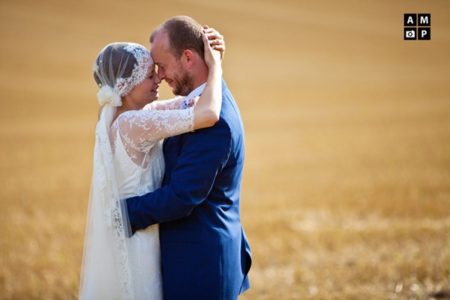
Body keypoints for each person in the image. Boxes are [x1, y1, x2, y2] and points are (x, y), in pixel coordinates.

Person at [79, 27, 225, 299]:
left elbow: (187, 103)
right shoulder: (133, 123)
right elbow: (207, 113)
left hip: (140, 228)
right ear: (126, 86)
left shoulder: (132, 114)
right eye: (149, 75)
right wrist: (215, 67)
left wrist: (206, 63)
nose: (159, 77)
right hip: (139, 239)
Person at [124, 16, 252, 300]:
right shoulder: (201, 101)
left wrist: (120, 214)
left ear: (189, 58)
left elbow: (182, 196)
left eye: (163, 65)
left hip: (200, 266)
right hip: (194, 258)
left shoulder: (214, 121)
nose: (160, 75)